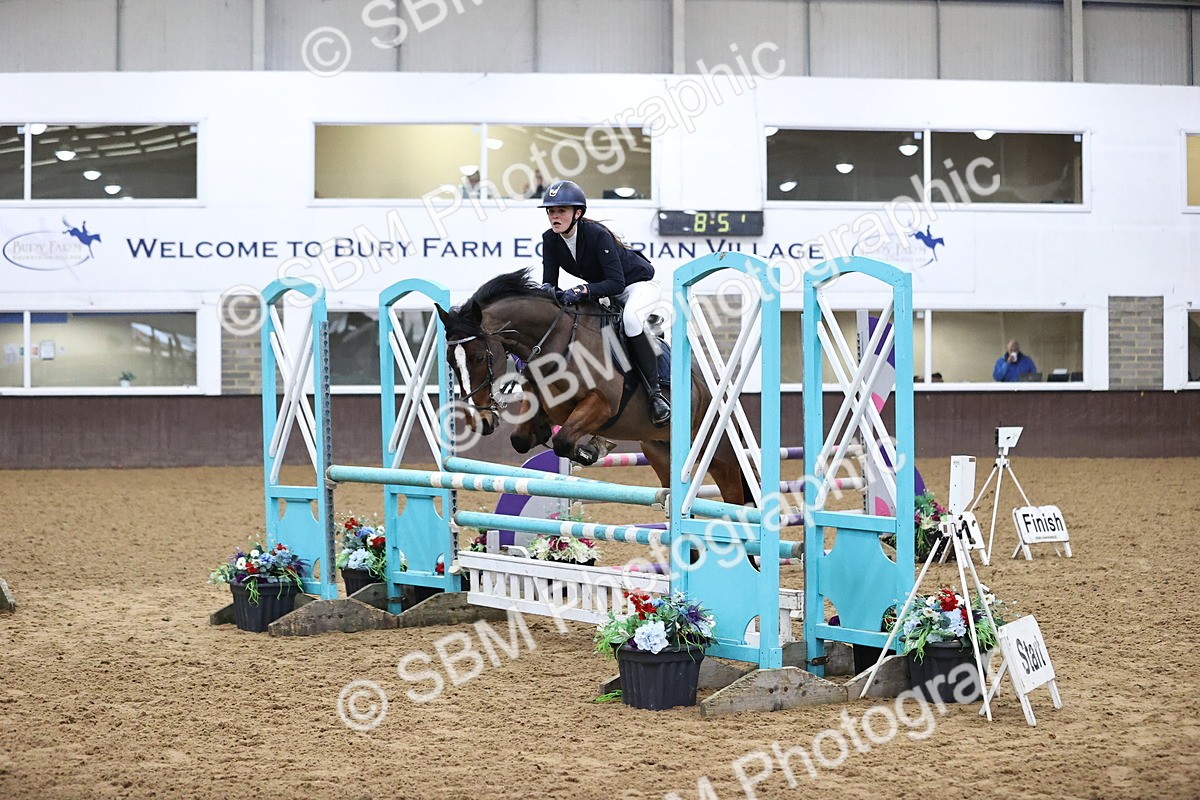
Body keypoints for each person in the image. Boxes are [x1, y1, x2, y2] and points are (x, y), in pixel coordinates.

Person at [538, 179, 669, 427]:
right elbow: (549, 284)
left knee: (631, 321)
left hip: (638, 286)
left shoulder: (597, 235)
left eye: (561, 211)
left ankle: (655, 395)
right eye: (551, 211)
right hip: (607, 291)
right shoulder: (550, 239)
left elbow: (617, 283)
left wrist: (582, 290)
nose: (554, 216)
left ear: (578, 213)